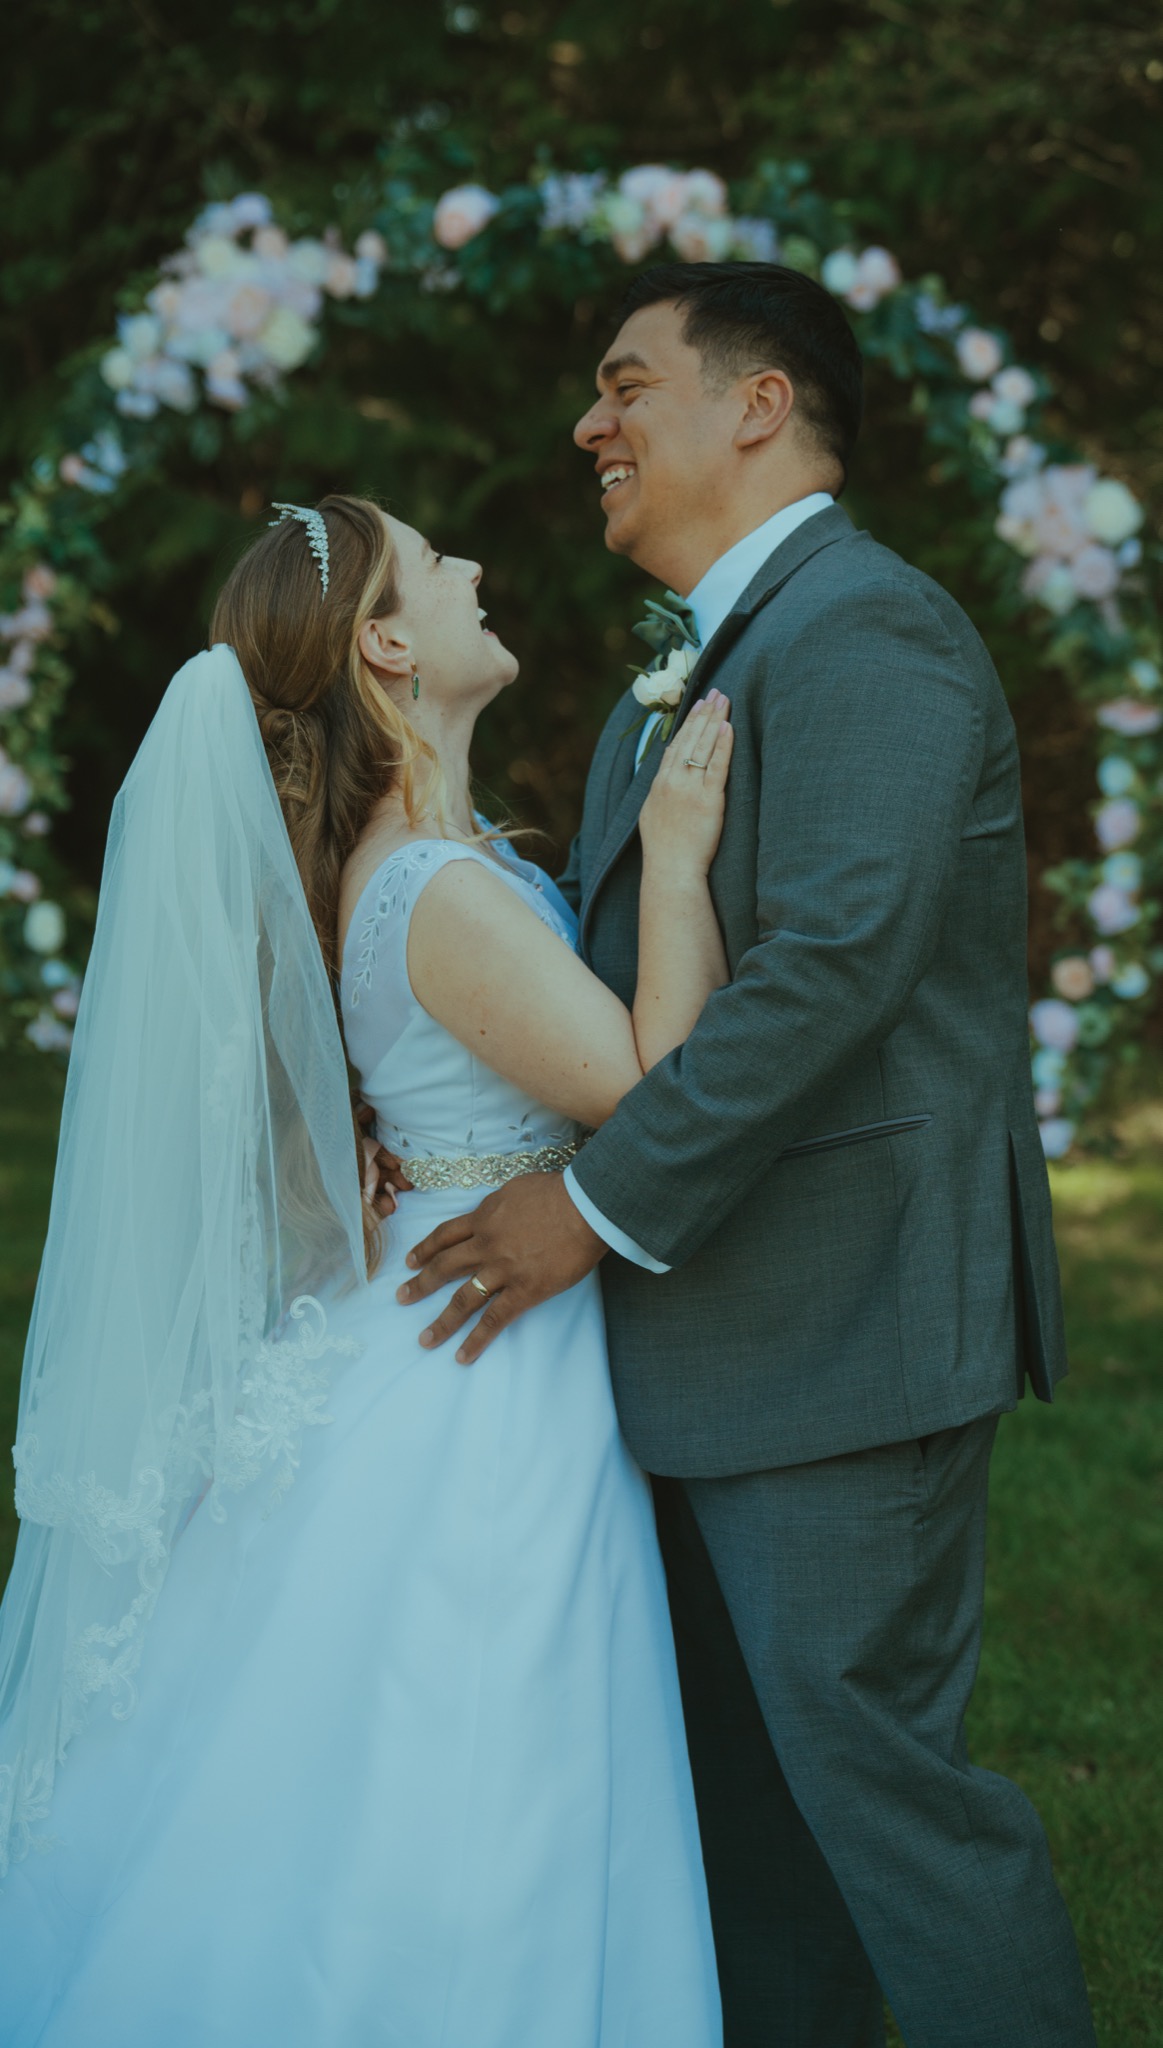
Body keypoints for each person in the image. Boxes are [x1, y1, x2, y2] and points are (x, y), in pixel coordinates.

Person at [396, 265, 1099, 2048]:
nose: (591, 425)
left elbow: (835, 970)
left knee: (884, 1805)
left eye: (627, 384)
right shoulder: (700, 661)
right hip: (717, 1336)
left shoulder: (868, 633)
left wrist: (592, 1206)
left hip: (841, 1329)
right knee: (750, 1833)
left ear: (760, 404)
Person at [0, 494, 729, 2046]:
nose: (475, 568)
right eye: (437, 562)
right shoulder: (434, 890)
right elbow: (656, 1087)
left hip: (459, 1315)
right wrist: (676, 863)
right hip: (484, 1377)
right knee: (472, 1746)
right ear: (388, 646)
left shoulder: (437, 865)